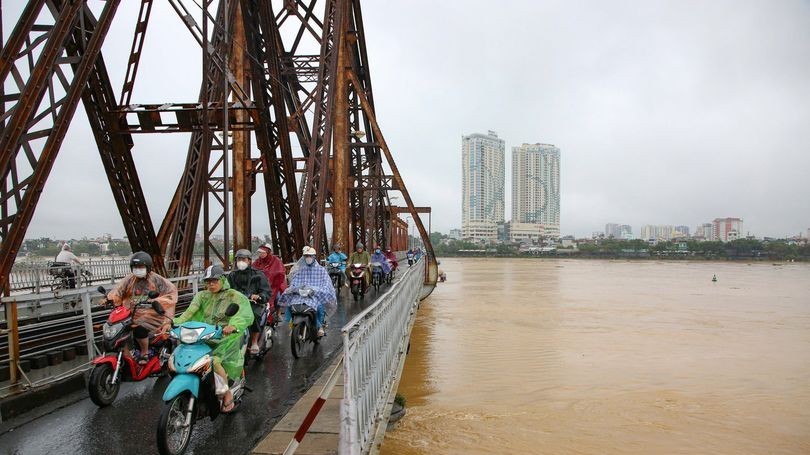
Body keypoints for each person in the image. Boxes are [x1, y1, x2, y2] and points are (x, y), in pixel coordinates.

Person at [174, 265, 253, 413]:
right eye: (208, 281)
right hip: (205, 333)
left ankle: (226, 392)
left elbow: (242, 313)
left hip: (227, 336)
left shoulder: (233, 296)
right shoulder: (202, 296)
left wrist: (233, 325)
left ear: (222, 280)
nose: (211, 284)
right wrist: (174, 322)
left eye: (214, 281)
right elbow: (189, 313)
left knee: (214, 361)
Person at [107, 252, 178, 364]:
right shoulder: (129, 279)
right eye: (135, 267)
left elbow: (171, 292)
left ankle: (144, 353)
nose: (138, 269)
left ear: (148, 267)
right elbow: (118, 290)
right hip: (131, 313)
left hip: (151, 314)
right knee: (118, 329)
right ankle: (127, 355)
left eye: (141, 267)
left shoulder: (157, 279)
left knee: (139, 328)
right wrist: (111, 298)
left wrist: (157, 301)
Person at [279, 246, 336, 337]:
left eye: (310, 256)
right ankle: (293, 326)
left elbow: (326, 284)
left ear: (314, 257)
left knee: (319, 307)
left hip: (314, 295)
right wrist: (294, 289)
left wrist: (316, 289)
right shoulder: (301, 270)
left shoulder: (321, 270)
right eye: (306, 256)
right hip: (301, 294)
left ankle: (320, 326)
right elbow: (294, 282)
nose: (308, 258)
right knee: (290, 305)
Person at [227, 249, 271, 355]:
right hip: (238, 303)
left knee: (254, 314)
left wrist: (259, 296)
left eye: (243, 259)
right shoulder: (232, 275)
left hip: (253, 303)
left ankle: (254, 341)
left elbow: (266, 291)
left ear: (249, 261)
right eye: (238, 259)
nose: (240, 261)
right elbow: (227, 289)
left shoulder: (258, 275)